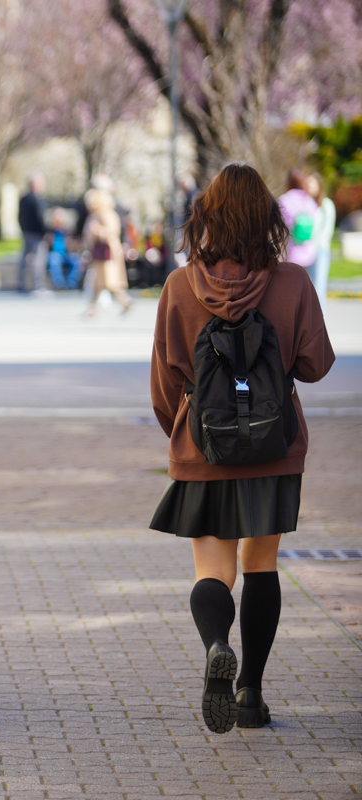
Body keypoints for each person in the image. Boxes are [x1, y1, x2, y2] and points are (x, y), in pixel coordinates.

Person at [149, 163, 334, 734]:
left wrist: (181, 436)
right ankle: (250, 693)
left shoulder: (181, 286)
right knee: (261, 565)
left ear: (206, 219)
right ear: (268, 221)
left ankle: (215, 647)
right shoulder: (293, 284)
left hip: (204, 449)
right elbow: (317, 365)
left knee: (214, 569)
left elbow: (164, 379)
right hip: (273, 449)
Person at [82, 188, 133, 316]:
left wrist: (97, 230)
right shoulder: (97, 214)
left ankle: (125, 300)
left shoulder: (106, 214)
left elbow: (111, 232)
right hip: (99, 252)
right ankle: (92, 308)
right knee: (98, 281)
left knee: (109, 281)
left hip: (106, 252)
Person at [277, 170, 319, 271]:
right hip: (309, 252)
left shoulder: (285, 199)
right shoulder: (309, 199)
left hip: (290, 252)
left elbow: (279, 225)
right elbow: (316, 222)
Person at [17, 174, 47, 293]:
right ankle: (38, 285)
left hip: (27, 232)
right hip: (36, 233)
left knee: (25, 259)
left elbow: (19, 216)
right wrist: (45, 232)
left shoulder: (23, 199)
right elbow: (40, 218)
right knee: (38, 260)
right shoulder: (35, 199)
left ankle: (21, 283)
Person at [308, 175, 335, 304]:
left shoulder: (326, 204)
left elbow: (327, 231)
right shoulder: (306, 204)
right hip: (306, 249)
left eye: (312, 184)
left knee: (318, 287)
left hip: (320, 249)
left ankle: (319, 320)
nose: (310, 188)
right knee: (307, 288)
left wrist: (315, 245)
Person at [46, 208, 82, 290]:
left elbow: (74, 246)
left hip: (66, 254)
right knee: (54, 259)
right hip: (54, 254)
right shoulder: (49, 231)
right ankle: (60, 283)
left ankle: (71, 283)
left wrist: (71, 244)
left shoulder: (68, 231)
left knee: (78, 260)